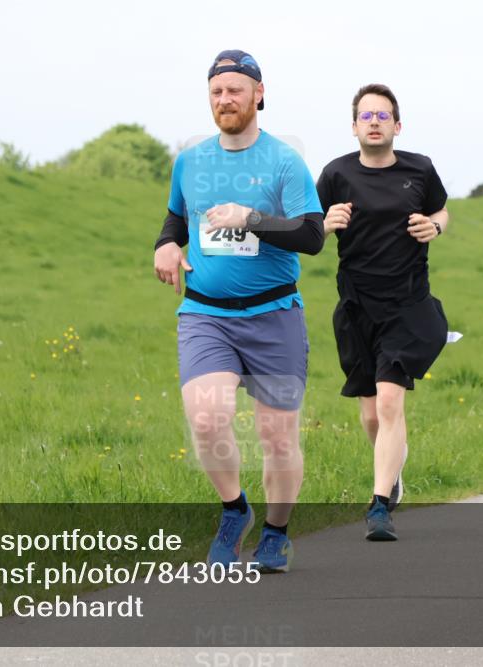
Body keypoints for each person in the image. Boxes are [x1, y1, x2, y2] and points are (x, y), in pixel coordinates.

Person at [152, 50, 325, 571]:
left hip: (274, 316)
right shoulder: (190, 159)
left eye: (234, 90)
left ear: (258, 94)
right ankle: (234, 510)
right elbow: (175, 222)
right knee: (206, 419)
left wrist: (252, 218)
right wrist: (164, 245)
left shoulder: (284, 161)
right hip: (206, 315)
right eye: (216, 92)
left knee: (277, 437)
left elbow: (312, 236)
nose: (225, 100)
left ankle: (275, 533)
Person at [316, 83, 450, 540]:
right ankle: (392, 470)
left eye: (383, 115)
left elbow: (441, 210)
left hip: (407, 304)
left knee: (391, 400)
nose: (374, 122)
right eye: (366, 116)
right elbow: (308, 229)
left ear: (397, 124)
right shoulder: (336, 174)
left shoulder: (420, 169)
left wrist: (435, 226)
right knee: (372, 415)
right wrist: (324, 224)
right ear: (354, 126)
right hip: (357, 307)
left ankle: (379, 506)